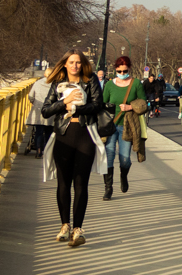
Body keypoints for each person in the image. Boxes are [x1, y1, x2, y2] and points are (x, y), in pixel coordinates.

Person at [39, 50, 110, 248]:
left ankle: (77, 229)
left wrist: (77, 108)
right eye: (71, 62)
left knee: (81, 183)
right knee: (63, 183)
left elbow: (97, 105)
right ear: (65, 64)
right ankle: (65, 226)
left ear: (83, 64)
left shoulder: (90, 80)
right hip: (63, 136)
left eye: (78, 62)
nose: (75, 66)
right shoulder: (58, 83)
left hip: (85, 135)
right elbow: (46, 111)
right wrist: (65, 102)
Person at [101, 56, 145, 199]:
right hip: (110, 126)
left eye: (124, 70)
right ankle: (108, 188)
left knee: (125, 158)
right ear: (115, 69)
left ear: (129, 69)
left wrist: (130, 106)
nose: (122, 73)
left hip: (127, 126)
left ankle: (123, 175)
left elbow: (143, 104)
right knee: (109, 156)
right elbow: (102, 104)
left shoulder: (136, 83)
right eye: (119, 71)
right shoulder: (109, 85)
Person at [26, 73, 55, 158]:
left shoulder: (37, 83)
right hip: (50, 111)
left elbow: (31, 96)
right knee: (49, 132)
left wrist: (35, 103)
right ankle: (47, 151)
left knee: (38, 132)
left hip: (38, 110)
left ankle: (38, 151)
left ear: (45, 74)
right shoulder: (56, 84)